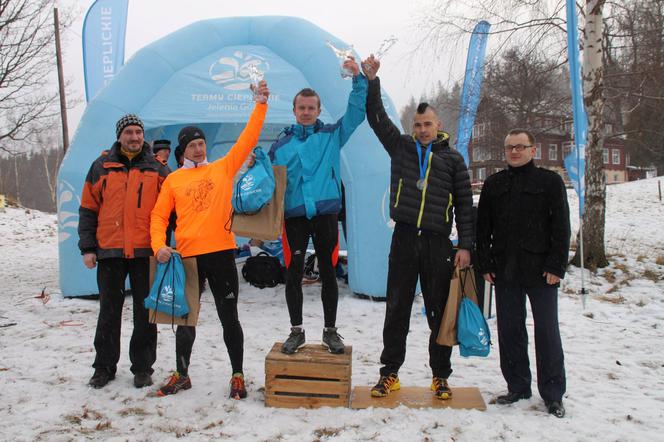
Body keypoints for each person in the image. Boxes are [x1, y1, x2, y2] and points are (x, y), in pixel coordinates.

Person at [362, 55, 474, 400]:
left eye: (427, 124)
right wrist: (372, 82)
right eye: (417, 124)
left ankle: (440, 375)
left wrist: (466, 245)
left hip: (438, 242)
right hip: (406, 237)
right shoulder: (402, 148)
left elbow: (466, 206)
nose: (422, 129)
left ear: (438, 124)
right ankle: (390, 373)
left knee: (439, 313)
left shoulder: (453, 160)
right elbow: (376, 118)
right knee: (396, 308)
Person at [150, 80, 269, 399]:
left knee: (229, 316)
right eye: (193, 145)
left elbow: (248, 139)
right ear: (183, 150)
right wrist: (159, 245)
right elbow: (159, 217)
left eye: (201, 143)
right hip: (187, 258)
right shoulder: (173, 180)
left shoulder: (222, 168)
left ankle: (238, 375)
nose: (199, 148)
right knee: (185, 318)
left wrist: (260, 104)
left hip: (221, 254)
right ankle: (182, 373)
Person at [268, 56, 367, 355]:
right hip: (295, 217)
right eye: (302, 108)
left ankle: (330, 331)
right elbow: (269, 180)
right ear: (294, 110)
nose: (307, 112)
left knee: (328, 270)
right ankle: (296, 331)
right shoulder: (280, 146)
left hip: (325, 213)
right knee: (293, 272)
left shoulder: (332, 135)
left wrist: (358, 80)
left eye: (312, 108)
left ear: (319, 110)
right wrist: (254, 162)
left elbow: (356, 113)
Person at [476, 129, 570, 418]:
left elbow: (561, 227)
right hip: (505, 271)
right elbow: (483, 230)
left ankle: (553, 394)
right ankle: (517, 385)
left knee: (547, 332)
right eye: (509, 148)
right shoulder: (494, 184)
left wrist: (556, 266)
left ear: (532, 150)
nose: (514, 152)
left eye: (520, 146)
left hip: (542, 272)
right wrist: (486, 264)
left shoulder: (550, 182)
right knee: (510, 330)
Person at [78, 114, 170, 389]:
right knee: (109, 311)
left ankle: (142, 367)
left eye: (138, 132)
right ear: (120, 136)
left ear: (144, 136)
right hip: (109, 252)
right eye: (129, 132)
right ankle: (103, 367)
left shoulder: (157, 168)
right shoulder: (101, 167)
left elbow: (172, 210)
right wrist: (88, 248)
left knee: (145, 313)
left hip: (145, 252)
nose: (134, 137)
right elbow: (87, 210)